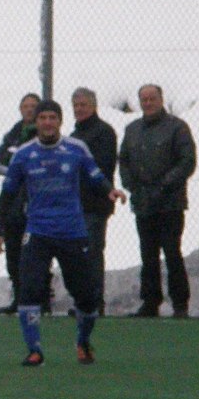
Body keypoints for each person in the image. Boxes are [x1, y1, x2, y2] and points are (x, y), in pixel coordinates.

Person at [0, 100, 126, 366]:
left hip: (71, 231)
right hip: (38, 231)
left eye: (52, 117)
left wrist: (110, 190)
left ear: (60, 121)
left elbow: (95, 175)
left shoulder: (76, 149)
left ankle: (83, 341)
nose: (47, 122)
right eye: (42, 117)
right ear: (36, 122)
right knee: (29, 289)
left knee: (86, 296)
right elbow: (6, 195)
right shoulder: (24, 154)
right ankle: (34, 350)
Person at [118, 84, 197, 318]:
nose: (148, 103)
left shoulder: (177, 127)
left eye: (152, 98)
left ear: (161, 99)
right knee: (148, 254)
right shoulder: (132, 129)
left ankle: (180, 304)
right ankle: (150, 302)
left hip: (170, 203)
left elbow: (187, 161)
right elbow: (124, 161)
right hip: (143, 203)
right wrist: (131, 185)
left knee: (172, 252)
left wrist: (164, 185)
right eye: (144, 99)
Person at [0, 93, 42, 314]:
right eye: (25, 106)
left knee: (36, 254)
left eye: (33, 106)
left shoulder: (45, 134)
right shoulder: (13, 133)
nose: (29, 109)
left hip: (37, 202)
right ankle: (19, 298)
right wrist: (19, 167)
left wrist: (20, 165)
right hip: (13, 201)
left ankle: (40, 299)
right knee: (13, 254)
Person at [69, 87, 119, 316]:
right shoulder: (74, 135)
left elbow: (102, 166)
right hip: (75, 206)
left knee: (92, 254)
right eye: (76, 105)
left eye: (83, 105)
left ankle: (94, 303)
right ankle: (83, 302)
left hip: (95, 205)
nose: (79, 109)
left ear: (94, 106)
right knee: (77, 256)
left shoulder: (104, 132)